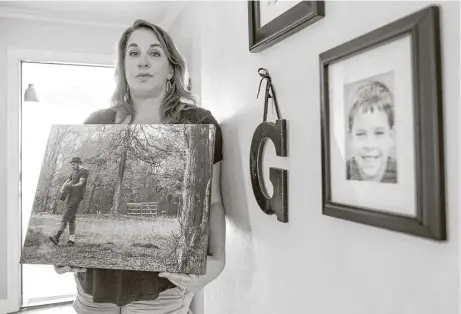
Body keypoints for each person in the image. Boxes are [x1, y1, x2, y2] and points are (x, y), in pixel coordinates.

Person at [54, 19, 226, 314]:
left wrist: (219, 260)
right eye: (133, 53)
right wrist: (62, 254)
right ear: (123, 67)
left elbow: (213, 202)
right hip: (93, 287)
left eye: (154, 53)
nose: (143, 61)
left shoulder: (198, 123)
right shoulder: (97, 122)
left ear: (171, 68)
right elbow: (82, 204)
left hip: (161, 288)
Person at [346, 80, 397, 183]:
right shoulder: (341, 175)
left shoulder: (403, 176)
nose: (369, 145)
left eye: (379, 133)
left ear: (391, 136)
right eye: (360, 134)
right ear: (350, 139)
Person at [50, 157, 89, 246]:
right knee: (72, 218)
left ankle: (57, 237)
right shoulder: (73, 172)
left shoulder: (84, 171)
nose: (72, 166)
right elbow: (67, 180)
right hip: (71, 196)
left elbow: (81, 183)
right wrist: (62, 188)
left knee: (66, 215)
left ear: (79, 163)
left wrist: (71, 186)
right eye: (71, 164)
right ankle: (71, 240)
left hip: (78, 196)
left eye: (74, 164)